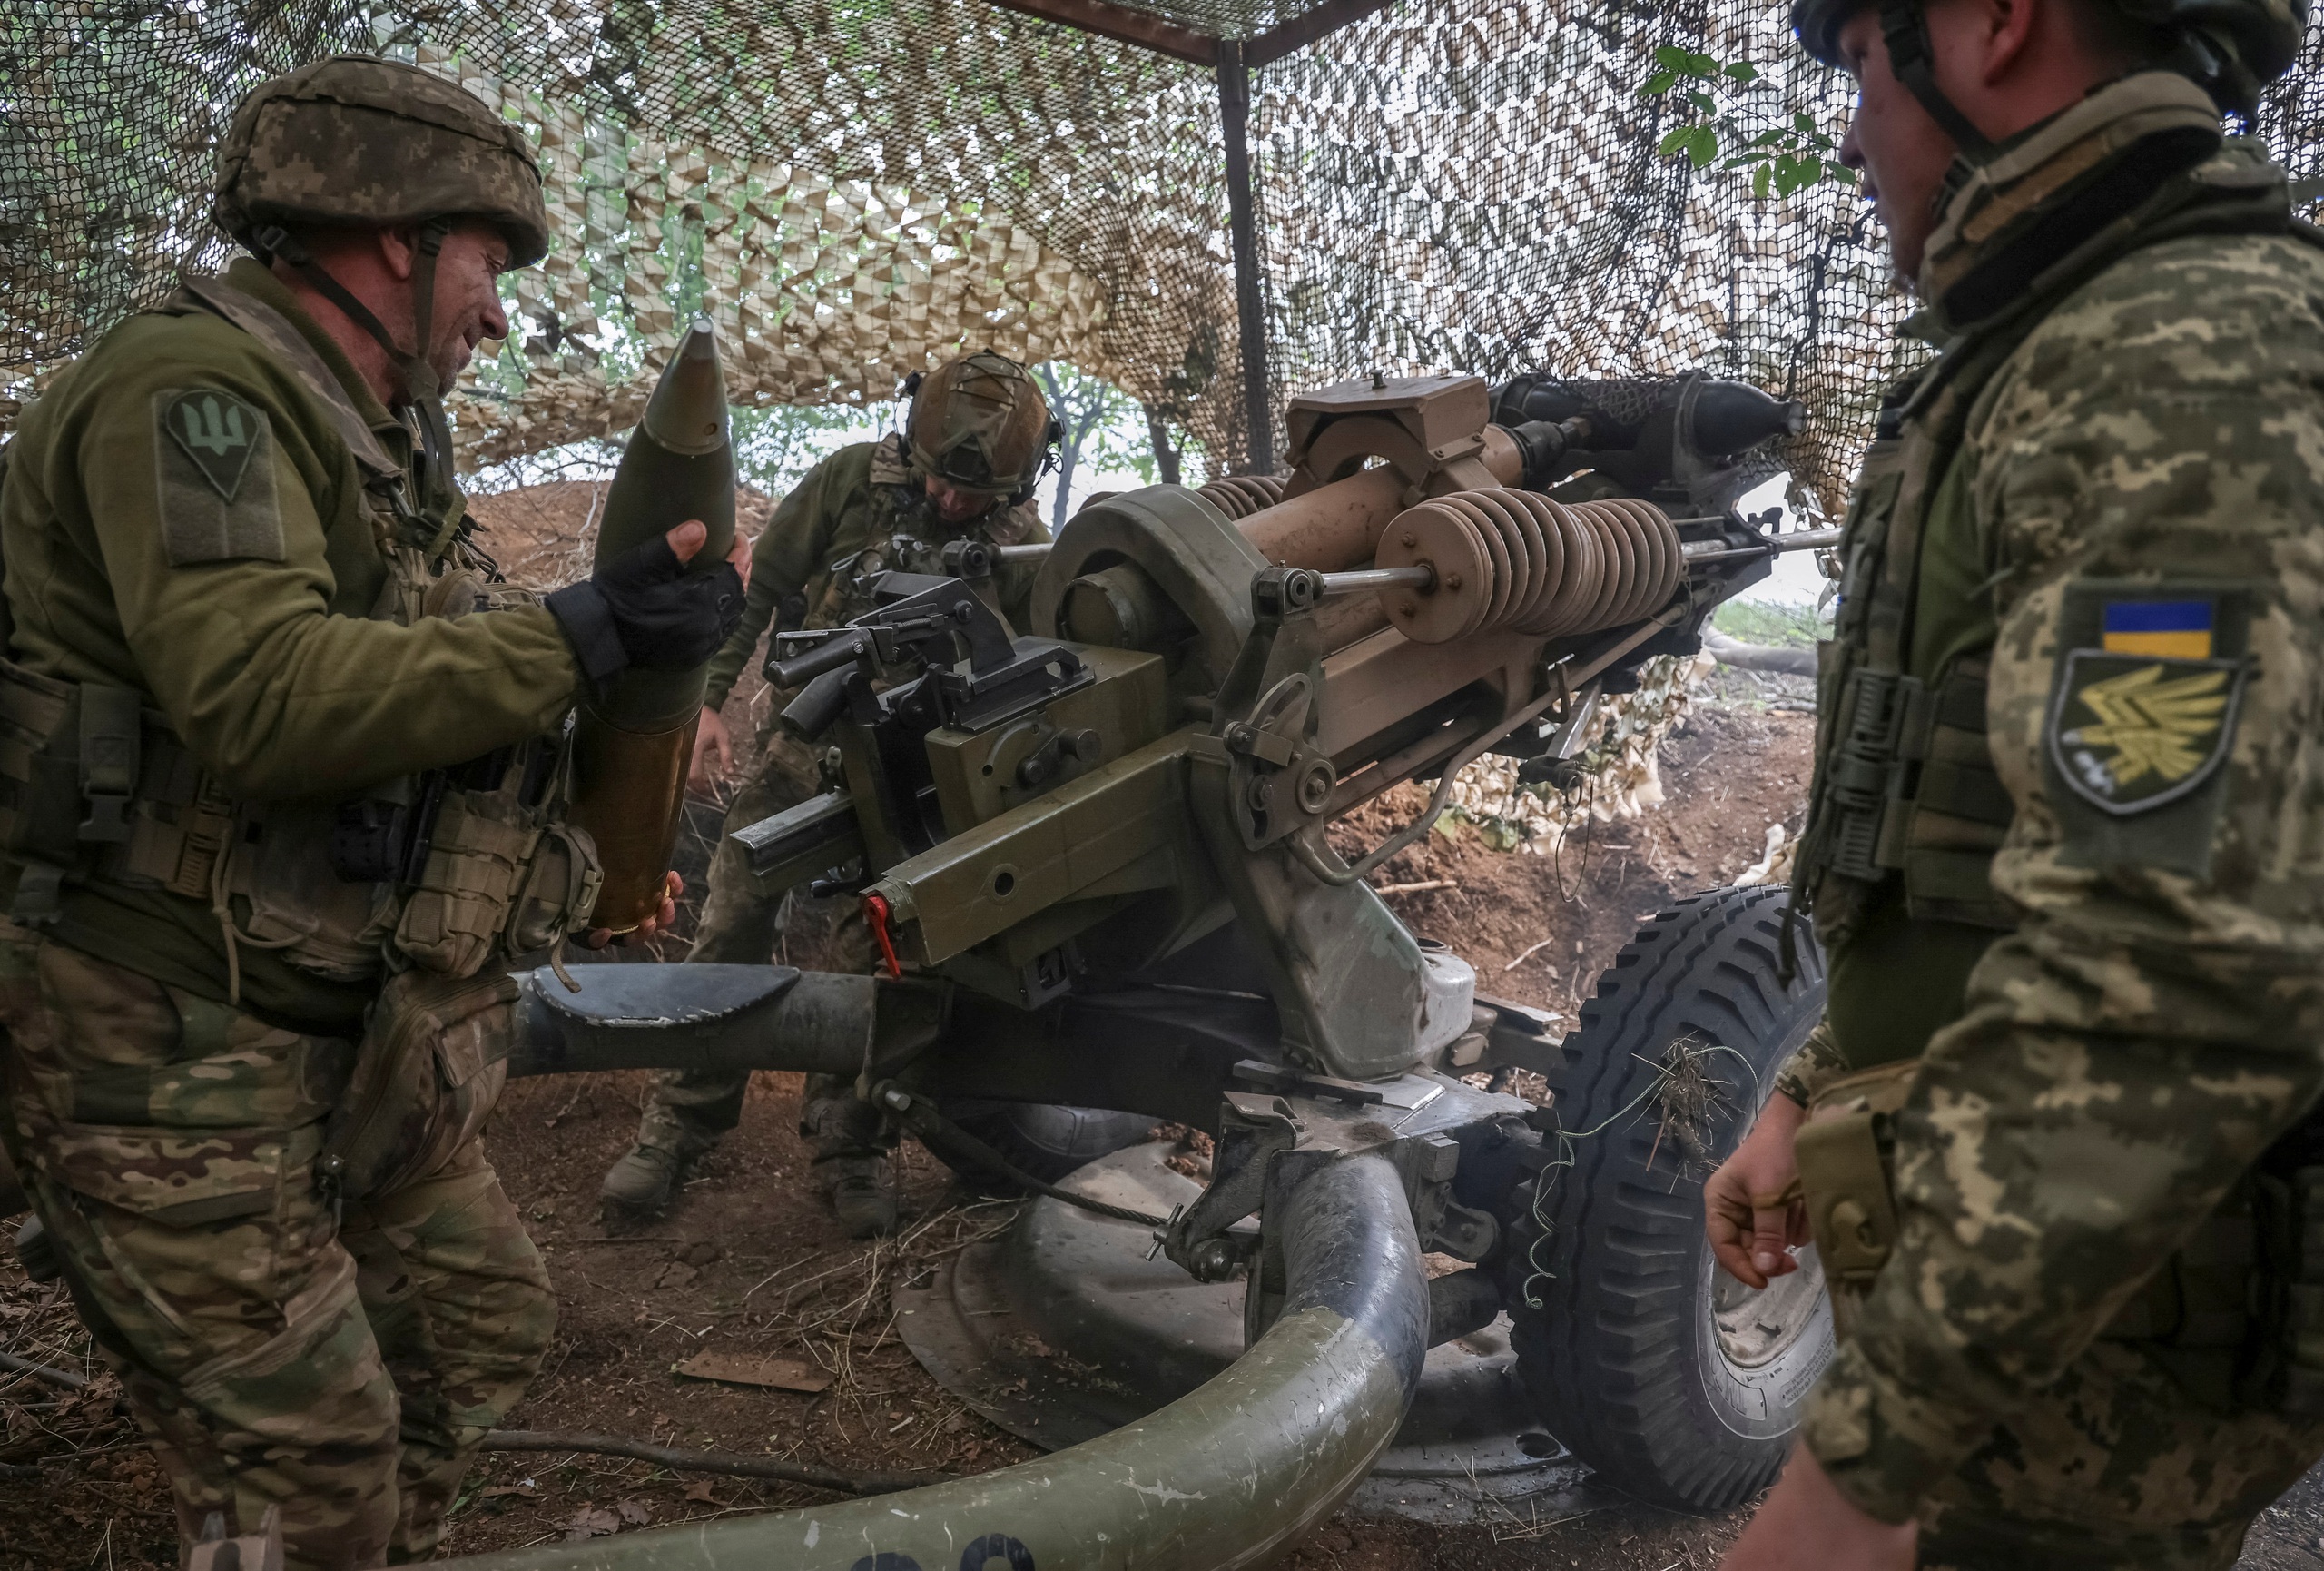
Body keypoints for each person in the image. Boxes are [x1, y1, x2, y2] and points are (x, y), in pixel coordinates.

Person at [0, 55, 744, 1569]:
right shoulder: (193, 390)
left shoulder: (378, 425)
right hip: (163, 1049)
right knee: (318, 1465)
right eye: (487, 264)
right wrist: (587, 633)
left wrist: (613, 775)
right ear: (397, 236)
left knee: (475, 1329)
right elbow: (266, 698)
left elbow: (436, 668)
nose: (499, 311)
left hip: (339, 1034)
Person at [1699, 1, 2321, 1566]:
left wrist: (1860, 1475)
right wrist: (1815, 1082)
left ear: (1988, 24)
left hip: (2101, 1371)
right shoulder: (2060, 345)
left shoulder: (2181, 366)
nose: (1849, 129)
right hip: (2034, 1320)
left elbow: (2167, 964)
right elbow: (1986, 840)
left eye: (1856, 64)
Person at [597, 351, 1055, 1236]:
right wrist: (707, 706)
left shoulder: (1024, 540)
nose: (956, 504)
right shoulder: (849, 480)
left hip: (928, 771)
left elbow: (1033, 667)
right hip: (811, 743)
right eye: (942, 483)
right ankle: (681, 1122)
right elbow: (758, 587)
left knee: (886, 947)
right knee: (732, 910)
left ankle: (853, 1138)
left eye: (980, 493)